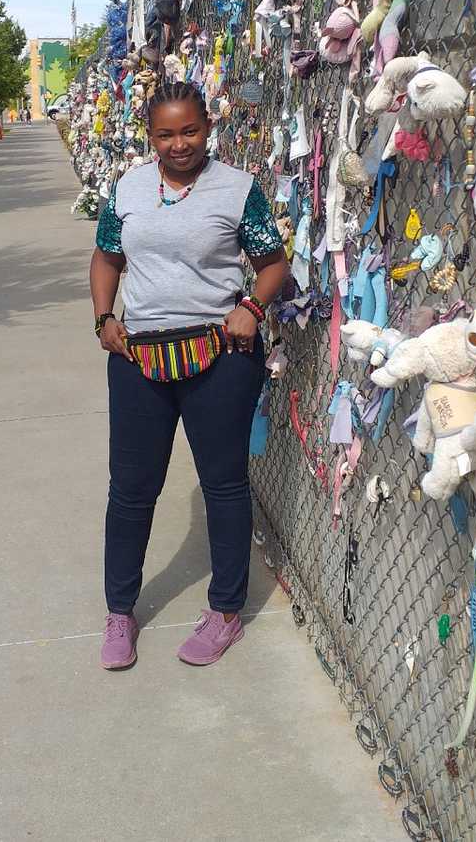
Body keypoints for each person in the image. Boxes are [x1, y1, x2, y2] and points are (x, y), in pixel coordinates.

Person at [90, 81, 289, 671]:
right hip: (138, 360)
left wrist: (250, 310)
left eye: (190, 130)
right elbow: (107, 256)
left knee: (224, 484)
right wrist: (104, 318)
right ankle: (120, 612)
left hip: (220, 356)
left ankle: (226, 611)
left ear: (208, 126)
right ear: (149, 136)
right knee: (130, 491)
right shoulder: (126, 187)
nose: (179, 144)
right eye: (165, 134)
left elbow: (272, 264)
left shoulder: (237, 189)